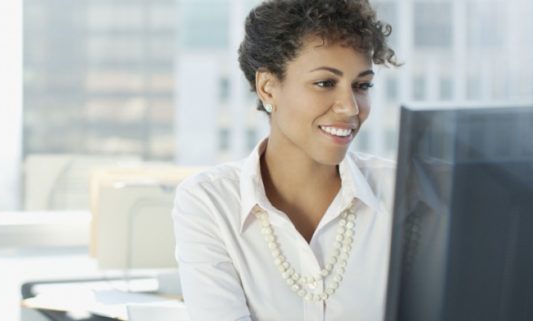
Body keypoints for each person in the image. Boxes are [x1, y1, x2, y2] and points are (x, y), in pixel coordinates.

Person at [171, 0, 401, 320]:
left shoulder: (402, 192)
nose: (350, 107)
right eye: (325, 83)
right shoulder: (210, 202)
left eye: (362, 86)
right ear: (267, 87)